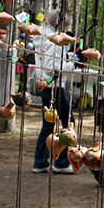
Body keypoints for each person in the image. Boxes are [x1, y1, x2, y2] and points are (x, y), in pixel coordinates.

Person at [31, 9, 75, 175]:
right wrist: (72, 65)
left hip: (46, 85)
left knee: (48, 125)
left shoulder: (43, 37)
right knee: (69, 122)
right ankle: (62, 162)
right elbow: (54, 67)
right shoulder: (53, 41)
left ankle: (40, 161)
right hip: (53, 86)